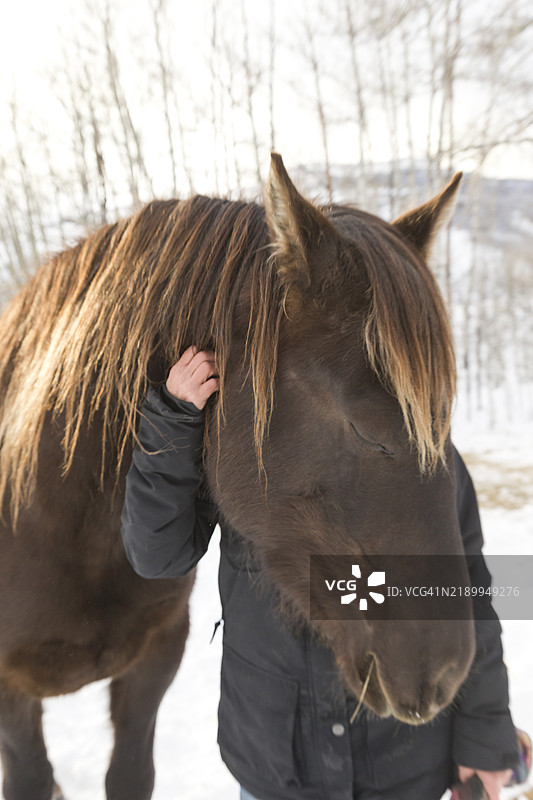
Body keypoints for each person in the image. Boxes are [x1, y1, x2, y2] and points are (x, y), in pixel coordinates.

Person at [121, 346, 518, 800]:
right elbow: (156, 555)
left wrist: (486, 738)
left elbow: (472, 592)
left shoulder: (423, 454)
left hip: (403, 767)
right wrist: (172, 421)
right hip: (275, 768)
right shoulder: (245, 442)